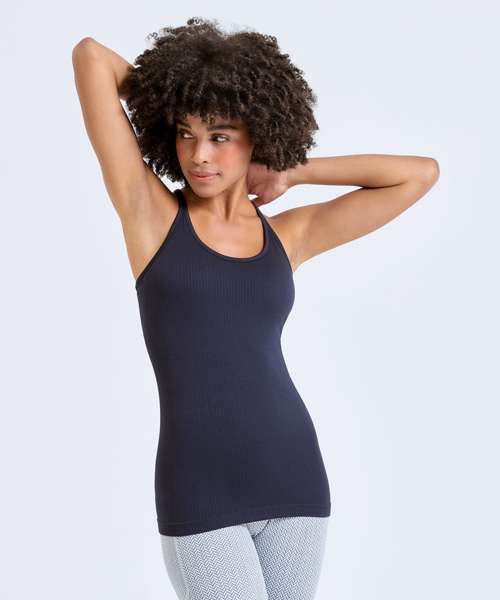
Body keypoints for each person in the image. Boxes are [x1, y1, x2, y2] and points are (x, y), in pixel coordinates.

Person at [72, 16, 439, 600]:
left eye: (221, 135)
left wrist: (293, 170)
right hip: (201, 489)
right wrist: (180, 94)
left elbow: (418, 175)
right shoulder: (151, 217)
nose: (199, 155)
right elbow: (91, 56)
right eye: (186, 133)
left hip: (294, 477)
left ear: (256, 137)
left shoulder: (289, 237)